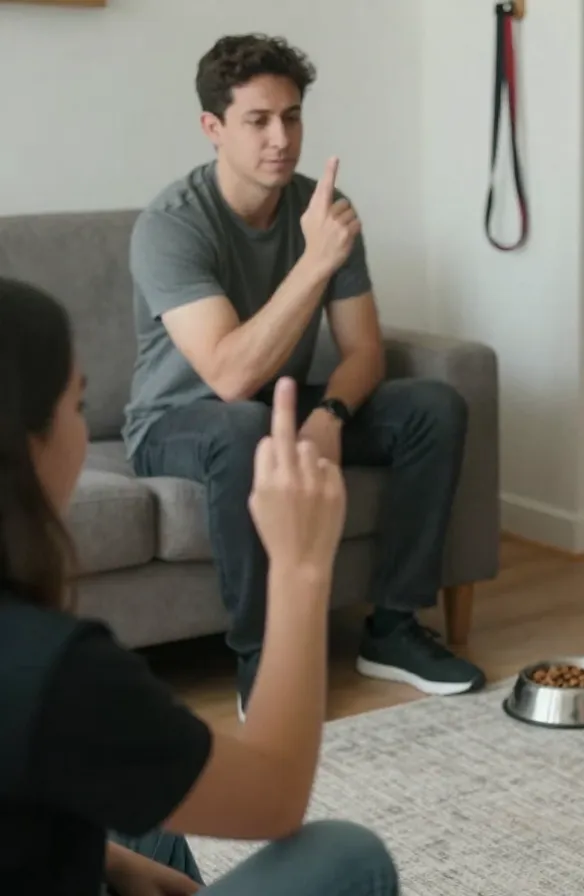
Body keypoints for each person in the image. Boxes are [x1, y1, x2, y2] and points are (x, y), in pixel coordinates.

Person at [122, 33, 484, 718]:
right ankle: (265, 659)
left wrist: (330, 419)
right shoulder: (171, 226)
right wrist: (315, 262)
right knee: (244, 424)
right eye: (257, 120)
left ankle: (393, 628)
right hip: (177, 420)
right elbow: (228, 375)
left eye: (291, 117)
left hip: (278, 408)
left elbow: (365, 352)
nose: (280, 138)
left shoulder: (323, 208)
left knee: (431, 405)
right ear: (214, 128)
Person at [0, 276, 399, 894]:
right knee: (347, 856)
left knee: (142, 831)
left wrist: (116, 868)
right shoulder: (50, 670)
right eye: (76, 407)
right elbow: (275, 794)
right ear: (25, 447)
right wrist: (299, 565)